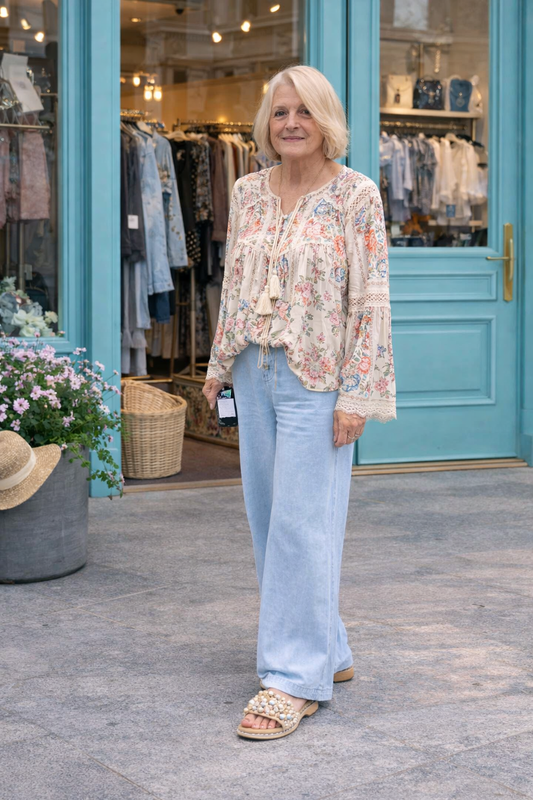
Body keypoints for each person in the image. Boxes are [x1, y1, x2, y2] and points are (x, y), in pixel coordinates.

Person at [202, 65, 396, 740]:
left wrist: (359, 393)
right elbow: (233, 283)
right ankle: (327, 649)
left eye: (303, 112)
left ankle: (291, 680)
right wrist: (218, 365)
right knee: (267, 518)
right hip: (254, 370)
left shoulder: (355, 195)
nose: (290, 123)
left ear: (325, 121)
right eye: (280, 111)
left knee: (302, 524)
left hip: (320, 380)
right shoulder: (248, 190)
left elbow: (371, 299)